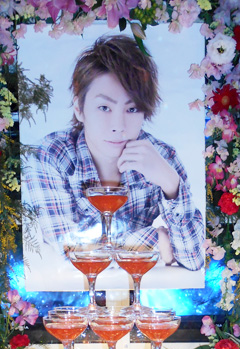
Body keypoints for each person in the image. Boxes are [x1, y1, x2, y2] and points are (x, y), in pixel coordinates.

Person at [24, 34, 204, 271]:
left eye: (132, 109)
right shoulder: (50, 156)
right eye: (104, 107)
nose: (118, 125)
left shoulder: (162, 157)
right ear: (79, 108)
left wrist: (171, 185)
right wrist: (156, 239)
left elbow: (194, 259)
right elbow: (73, 254)